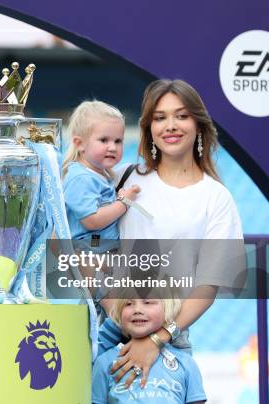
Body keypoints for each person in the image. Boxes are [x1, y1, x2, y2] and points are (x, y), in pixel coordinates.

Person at [101, 79, 243, 389]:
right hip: (104, 336)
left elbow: (208, 287)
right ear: (149, 127)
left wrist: (154, 338)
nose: (171, 126)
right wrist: (120, 320)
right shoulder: (123, 179)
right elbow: (89, 247)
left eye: (181, 115)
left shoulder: (216, 198)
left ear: (198, 123)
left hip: (169, 348)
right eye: (160, 117)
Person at [92, 297, 206, 403]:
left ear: (168, 312)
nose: (137, 309)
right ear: (118, 314)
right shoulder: (103, 362)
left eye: (148, 302)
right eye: (128, 303)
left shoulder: (186, 363)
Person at [62, 100, 140, 243]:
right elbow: (92, 221)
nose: (112, 147)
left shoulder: (100, 175)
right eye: (104, 140)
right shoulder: (80, 178)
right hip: (86, 252)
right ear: (79, 144)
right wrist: (123, 202)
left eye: (118, 141)